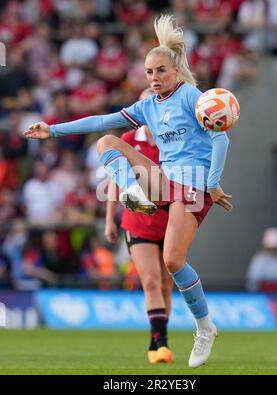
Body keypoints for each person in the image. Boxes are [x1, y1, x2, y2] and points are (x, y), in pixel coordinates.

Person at [24, 14, 232, 368]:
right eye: (149, 72)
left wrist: (212, 183)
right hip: (166, 181)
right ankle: (133, 193)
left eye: (161, 71)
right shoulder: (148, 106)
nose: (154, 78)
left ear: (176, 70)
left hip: (194, 184)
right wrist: (54, 130)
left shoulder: (190, 97)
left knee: (172, 261)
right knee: (108, 141)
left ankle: (205, 327)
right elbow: (102, 121)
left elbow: (221, 137)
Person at [105, 87, 174, 364]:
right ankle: (161, 344)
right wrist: (110, 218)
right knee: (151, 281)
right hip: (139, 222)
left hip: (170, 222)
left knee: (167, 285)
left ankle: (155, 339)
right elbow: (114, 180)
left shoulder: (174, 140)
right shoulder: (128, 140)